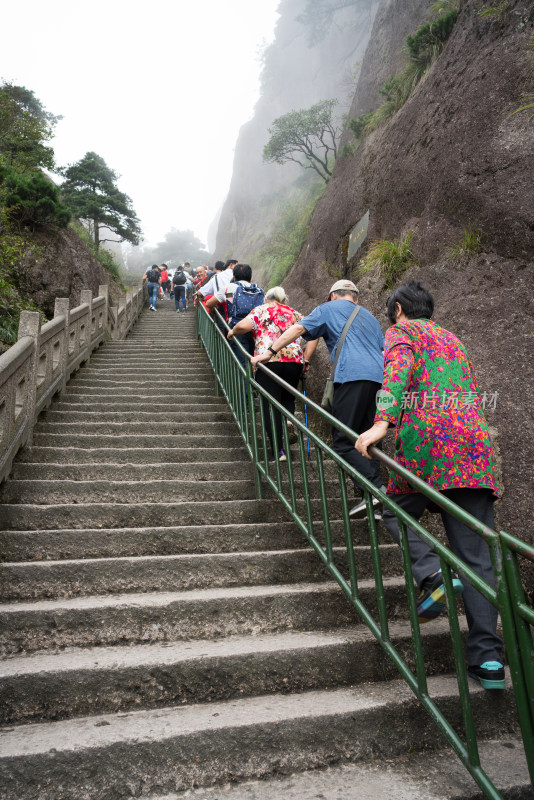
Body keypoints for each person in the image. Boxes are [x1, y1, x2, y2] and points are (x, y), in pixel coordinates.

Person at [355, 281, 504, 690]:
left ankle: (433, 573)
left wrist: (381, 423)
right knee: (477, 559)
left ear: (399, 309)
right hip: (473, 449)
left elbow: (398, 373)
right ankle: (489, 661)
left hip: (426, 446)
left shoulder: (402, 333)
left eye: (391, 313)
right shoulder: (454, 340)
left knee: (394, 508)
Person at [252, 279, 385, 511]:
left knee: (344, 442)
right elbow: (383, 350)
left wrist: (269, 352)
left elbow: (298, 329)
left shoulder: (327, 309)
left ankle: (378, 491)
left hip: (351, 377)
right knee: (369, 439)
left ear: (333, 296)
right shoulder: (370, 317)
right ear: (355, 298)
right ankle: (373, 500)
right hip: (380, 381)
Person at [228, 286, 306, 462]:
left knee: (270, 407)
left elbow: (242, 325)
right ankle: (289, 417)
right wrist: (306, 357)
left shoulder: (261, 310)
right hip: (294, 361)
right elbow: (312, 332)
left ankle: (279, 452)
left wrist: (233, 331)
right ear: (284, 300)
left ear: (266, 298)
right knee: (287, 398)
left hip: (268, 362)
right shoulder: (294, 312)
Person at [207, 263, 264, 370]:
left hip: (237, 330)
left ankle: (244, 386)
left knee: (242, 363)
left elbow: (209, 303)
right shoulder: (258, 290)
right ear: (250, 277)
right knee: (254, 361)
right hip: (257, 330)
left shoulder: (230, 288)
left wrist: (212, 310)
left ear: (234, 277)